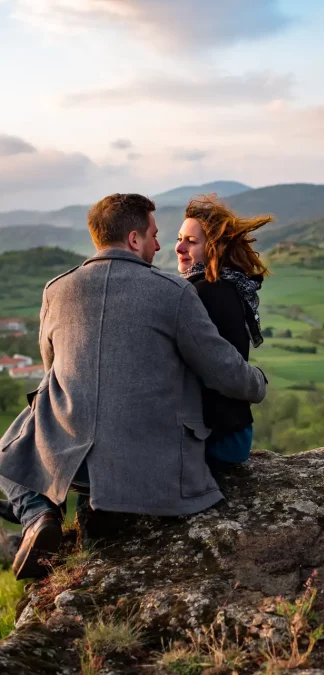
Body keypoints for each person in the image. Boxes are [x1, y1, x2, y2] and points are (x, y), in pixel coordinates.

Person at [0, 193, 267, 580]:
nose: (162, 245)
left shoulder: (55, 290)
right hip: (158, 470)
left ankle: (38, 513)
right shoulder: (174, 292)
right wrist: (258, 383)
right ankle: (69, 512)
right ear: (133, 239)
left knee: (14, 447)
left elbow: (53, 371)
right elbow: (224, 370)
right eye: (155, 235)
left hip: (79, 465)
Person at [175, 196, 272, 471]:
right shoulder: (227, 285)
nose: (179, 247)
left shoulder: (204, 292)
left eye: (191, 242)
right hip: (232, 432)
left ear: (213, 248)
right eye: (180, 238)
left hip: (217, 438)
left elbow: (221, 371)